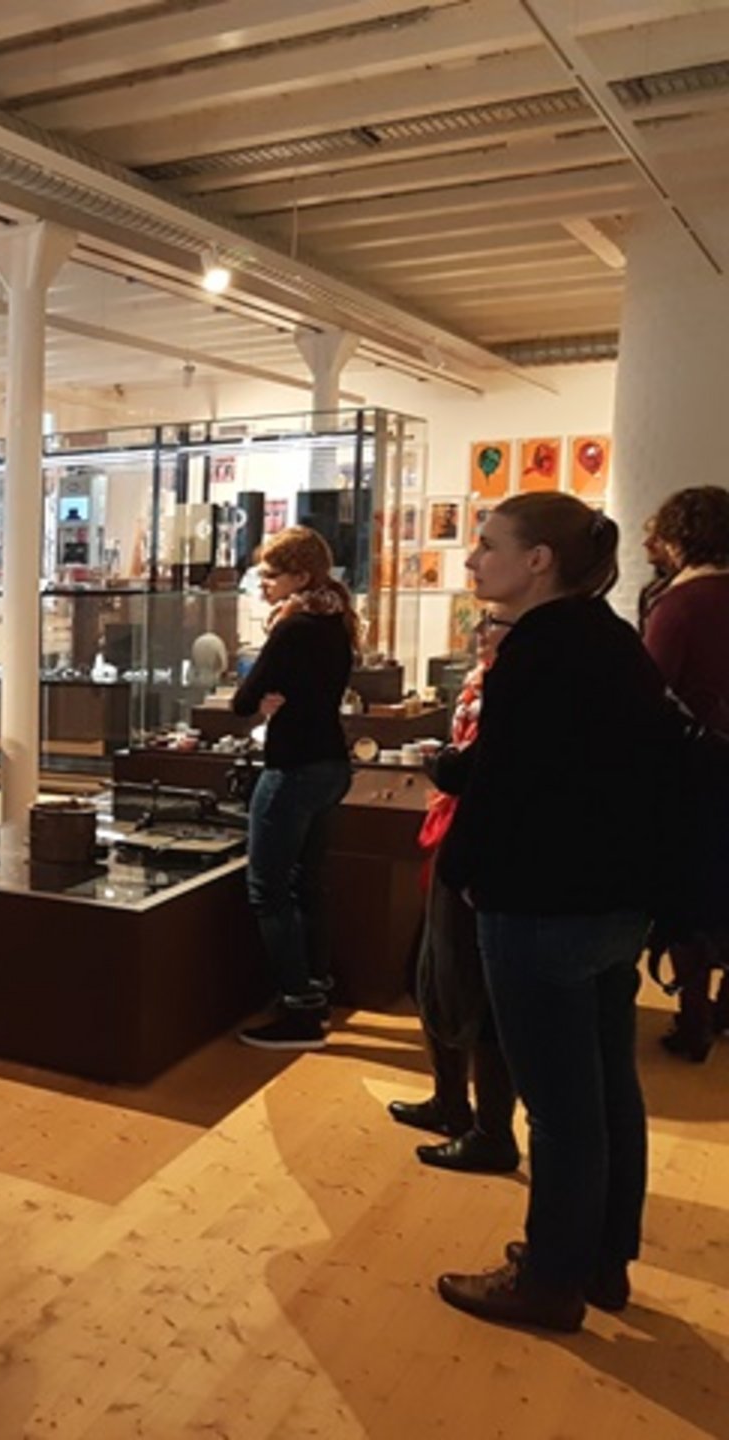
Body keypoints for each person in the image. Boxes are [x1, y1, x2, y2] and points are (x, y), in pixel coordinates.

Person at [434, 492, 672, 1333]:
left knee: (562, 1108)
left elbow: (508, 787)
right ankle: (601, 1259)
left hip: (543, 904)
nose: (473, 559)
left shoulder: (540, 651)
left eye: (488, 544)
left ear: (538, 560)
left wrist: (466, 873)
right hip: (610, 901)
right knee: (605, 1091)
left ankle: (549, 1280)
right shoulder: (608, 638)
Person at [387, 608, 518, 1174]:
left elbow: (474, 770)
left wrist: (445, 765)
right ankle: (451, 1102)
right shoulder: (483, 682)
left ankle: (491, 1130)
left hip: (482, 845)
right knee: (434, 974)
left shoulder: (516, 686)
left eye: (495, 624)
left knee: (473, 987)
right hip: (458, 832)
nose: (481, 631)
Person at [231, 526, 357, 1050]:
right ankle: (316, 988)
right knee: (309, 882)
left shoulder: (293, 628)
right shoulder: (336, 621)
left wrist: (261, 701)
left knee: (268, 888)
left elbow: (243, 699)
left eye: (270, 575)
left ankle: (299, 1008)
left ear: (300, 577)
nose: (262, 584)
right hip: (331, 763)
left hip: (293, 767)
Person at [640, 486, 729, 1059]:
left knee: (689, 896)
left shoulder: (680, 605)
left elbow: (648, 690)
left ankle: (694, 1019)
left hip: (699, 773)